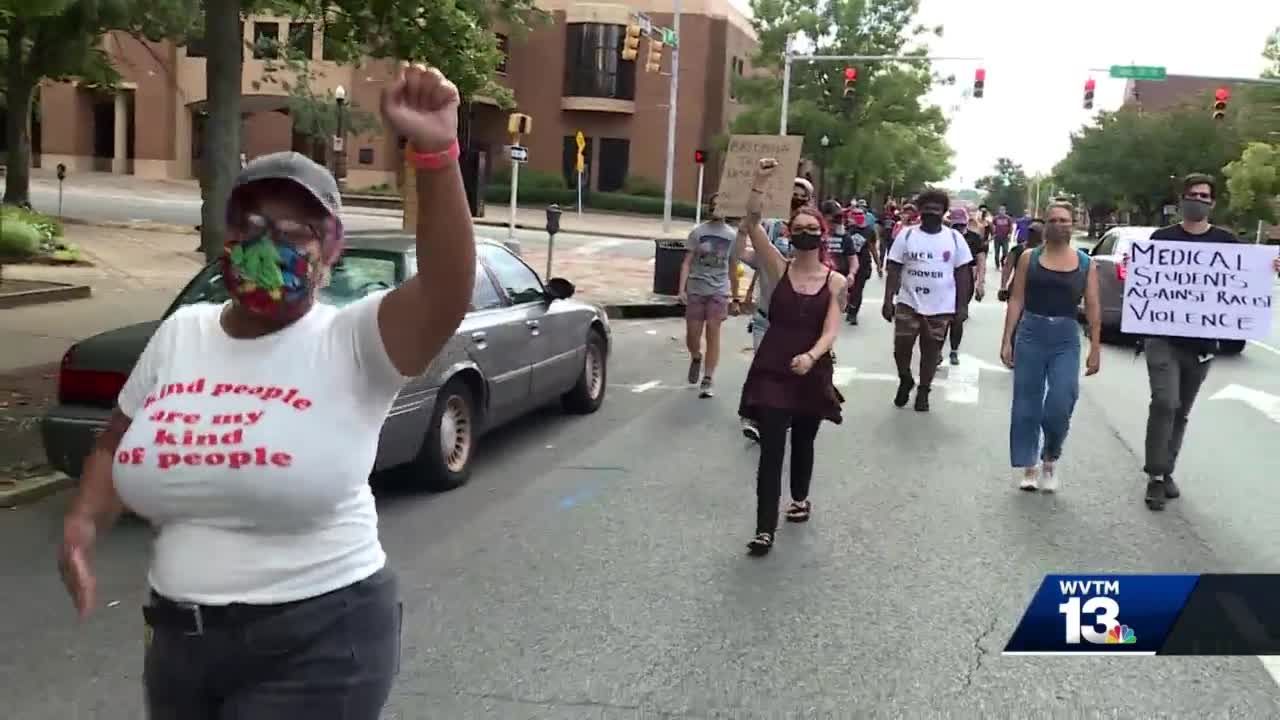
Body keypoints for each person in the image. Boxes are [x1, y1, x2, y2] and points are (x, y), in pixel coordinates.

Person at [57, 65, 475, 718]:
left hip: (320, 641)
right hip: (177, 644)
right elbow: (116, 440)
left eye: (298, 231)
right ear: (226, 237)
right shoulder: (181, 334)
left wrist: (437, 154)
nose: (269, 243)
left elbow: (447, 289)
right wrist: (83, 525)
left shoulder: (354, 341)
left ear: (331, 250)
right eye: (252, 224)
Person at [1139, 174, 1280, 510]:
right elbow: (1147, 283)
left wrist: (1270, 268)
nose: (1197, 200)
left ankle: (1167, 468)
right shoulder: (1162, 239)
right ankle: (1156, 476)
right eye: (1192, 195)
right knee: (1165, 402)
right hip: (1163, 339)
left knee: (1182, 411)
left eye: (1203, 196)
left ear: (1212, 203)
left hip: (1202, 345)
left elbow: (1245, 281)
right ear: (1182, 199)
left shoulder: (1227, 243)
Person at [737, 158, 845, 555]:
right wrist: (759, 182)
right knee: (771, 449)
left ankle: (799, 496)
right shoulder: (777, 268)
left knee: (803, 439)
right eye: (798, 229)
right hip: (773, 366)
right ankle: (765, 528)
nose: (805, 234)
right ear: (788, 233)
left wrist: (812, 356)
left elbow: (832, 328)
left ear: (823, 236)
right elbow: (750, 222)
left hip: (811, 369)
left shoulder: (836, 281)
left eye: (812, 230)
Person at [1000, 202, 1100, 493]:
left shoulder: (1084, 263)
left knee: (1061, 402)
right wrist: (1007, 339)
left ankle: (1050, 458)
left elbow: (1093, 306)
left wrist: (1095, 347)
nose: (1060, 225)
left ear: (1071, 225)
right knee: (1026, 404)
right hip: (1031, 332)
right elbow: (1016, 299)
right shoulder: (1029, 258)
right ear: (1045, 225)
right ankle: (1030, 466)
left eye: (1065, 220)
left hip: (1066, 337)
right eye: (1054, 220)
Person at [881, 190, 973, 411]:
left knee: (931, 352)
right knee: (901, 347)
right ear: (920, 211)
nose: (932, 213)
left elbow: (963, 273)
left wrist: (962, 307)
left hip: (941, 307)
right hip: (908, 303)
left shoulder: (954, 238)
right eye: (927, 209)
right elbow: (893, 267)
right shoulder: (907, 235)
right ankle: (905, 378)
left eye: (937, 209)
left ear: (943, 212)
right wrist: (887, 299)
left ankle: (924, 390)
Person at [678, 193, 740, 398]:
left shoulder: (732, 236)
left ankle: (708, 377)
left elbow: (733, 267)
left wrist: (736, 297)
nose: (718, 209)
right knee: (692, 336)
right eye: (715, 205)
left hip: (719, 291)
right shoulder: (698, 232)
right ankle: (696, 356)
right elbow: (687, 262)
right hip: (696, 289)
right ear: (710, 208)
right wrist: (682, 289)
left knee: (713, 332)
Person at [938, 208, 988, 365]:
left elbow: (981, 260)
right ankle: (937, 350)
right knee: (941, 317)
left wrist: (980, 283)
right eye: (955, 226)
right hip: (945, 279)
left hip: (965, 279)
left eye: (961, 225)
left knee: (958, 318)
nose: (959, 229)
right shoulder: (944, 237)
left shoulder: (974, 238)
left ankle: (954, 350)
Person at [845, 207, 881, 324]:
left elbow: (873, 249)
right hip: (848, 263)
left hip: (863, 263)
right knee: (848, 288)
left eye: (860, 214)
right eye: (855, 214)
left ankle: (853, 313)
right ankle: (849, 305)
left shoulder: (869, 231)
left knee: (858, 289)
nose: (858, 216)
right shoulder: (849, 229)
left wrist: (878, 265)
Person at [999, 217, 1044, 302]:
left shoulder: (1048, 252)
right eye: (1031, 231)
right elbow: (1007, 268)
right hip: (1017, 290)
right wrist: (1003, 286)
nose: (1033, 235)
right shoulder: (1017, 250)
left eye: (1036, 232)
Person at [990, 204, 1015, 270]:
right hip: (997, 238)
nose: (1002, 211)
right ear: (998, 211)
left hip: (1005, 238)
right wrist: (993, 234)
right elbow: (992, 226)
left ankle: (1003, 263)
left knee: (1005, 252)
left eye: (1003, 210)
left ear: (1005, 211)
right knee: (996, 253)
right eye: (1000, 210)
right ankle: (997, 265)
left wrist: (1010, 234)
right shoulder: (995, 218)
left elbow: (1011, 227)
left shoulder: (1008, 218)